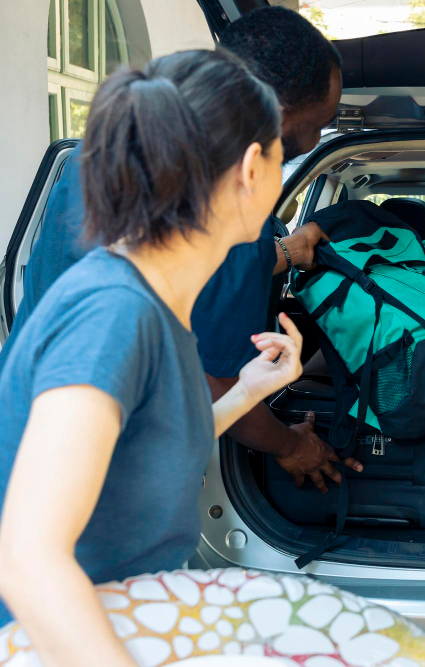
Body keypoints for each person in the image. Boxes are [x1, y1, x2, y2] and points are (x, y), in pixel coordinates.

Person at [0, 50, 304, 663]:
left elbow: (141, 454)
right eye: (281, 155)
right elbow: (28, 559)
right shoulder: (113, 313)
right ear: (252, 169)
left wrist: (245, 391)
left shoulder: (154, 303)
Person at [0, 7, 357, 494]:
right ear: (276, 113)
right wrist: (293, 447)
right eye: (324, 120)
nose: (320, 137)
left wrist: (288, 253)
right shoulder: (227, 212)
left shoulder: (97, 153)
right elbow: (217, 388)